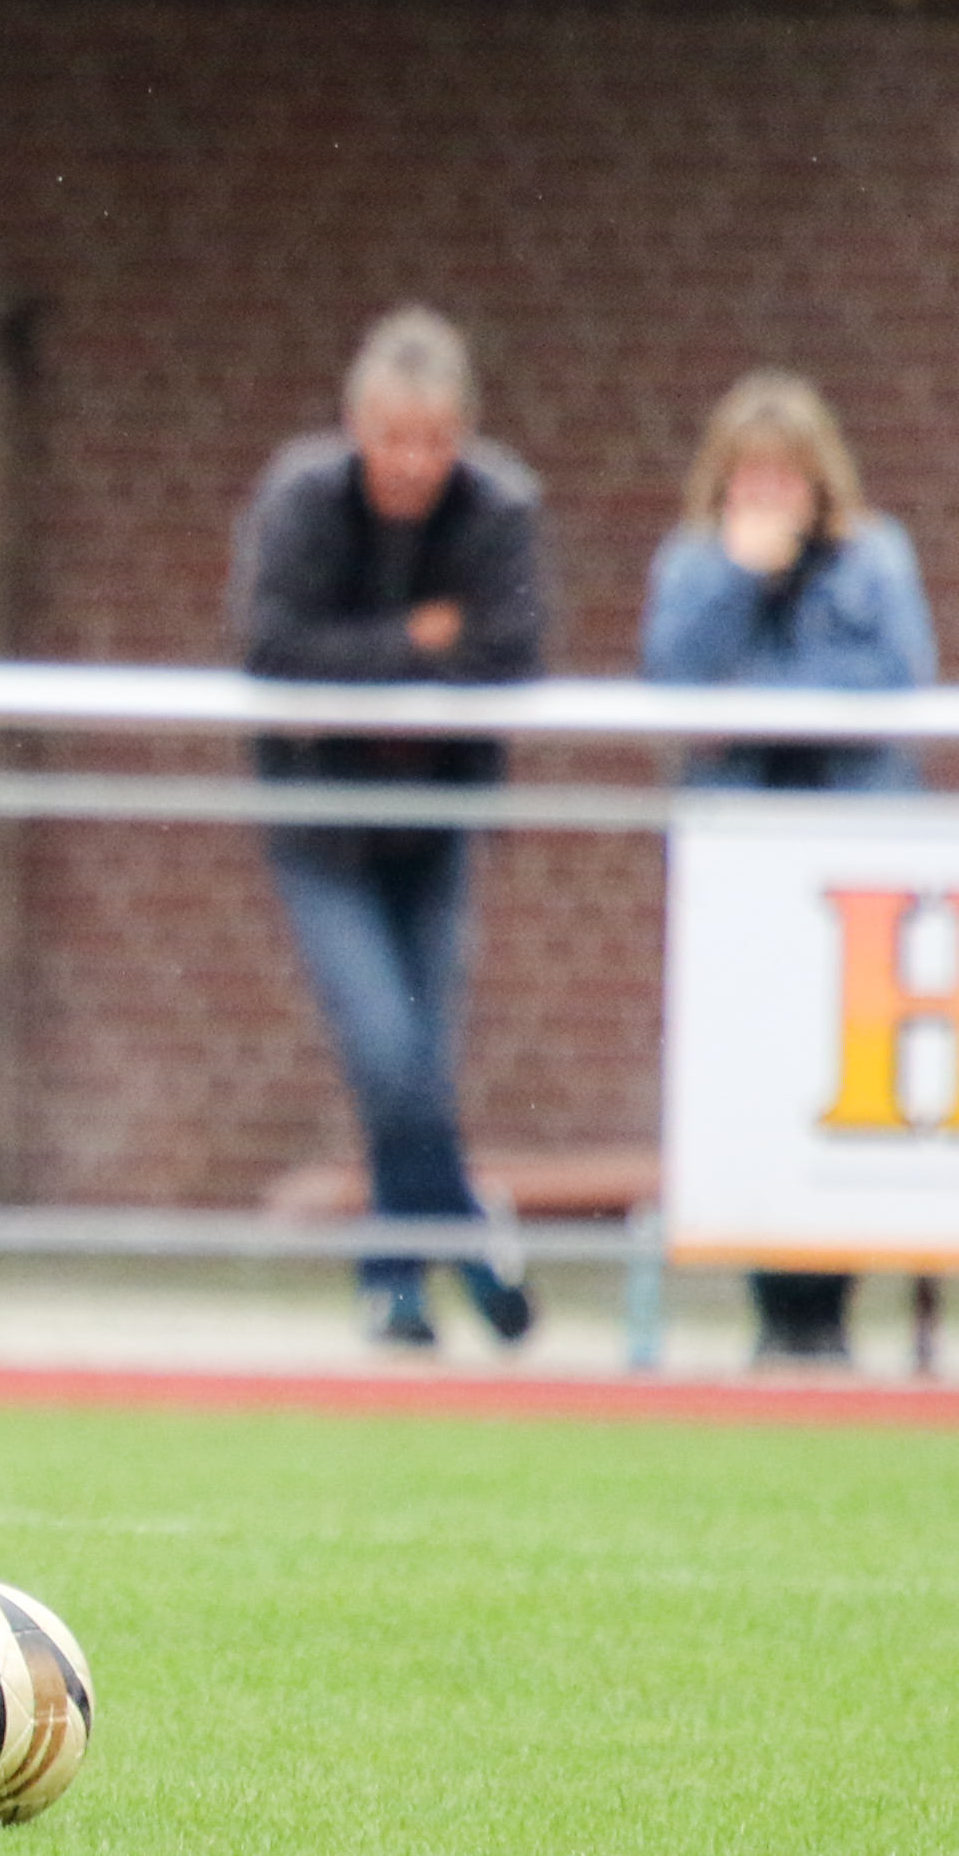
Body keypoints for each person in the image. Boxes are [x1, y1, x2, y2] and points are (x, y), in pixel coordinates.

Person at [229, 305, 546, 1355]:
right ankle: (469, 1233)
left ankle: (394, 1284)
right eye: (394, 438)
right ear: (356, 428)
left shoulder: (499, 508)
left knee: (418, 1063)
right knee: (385, 1048)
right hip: (322, 828)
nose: (413, 463)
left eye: (435, 440)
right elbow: (273, 649)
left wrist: (359, 662)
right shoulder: (301, 500)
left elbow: (508, 652)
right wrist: (416, 639)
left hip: (436, 826)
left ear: (464, 436)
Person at [641, 370, 938, 1367]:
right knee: (751, 1070)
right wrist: (737, 578)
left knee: (845, 1070)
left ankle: (831, 1303)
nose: (768, 496)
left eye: (785, 477)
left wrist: (759, 695)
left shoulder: (874, 558)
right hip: (740, 859)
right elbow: (674, 678)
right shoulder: (694, 565)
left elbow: (892, 677)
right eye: (750, 477)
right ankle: (772, 1303)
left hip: (852, 862)